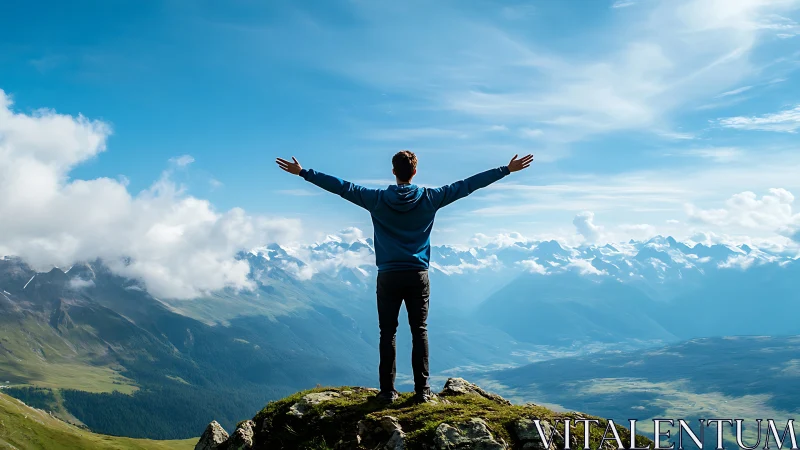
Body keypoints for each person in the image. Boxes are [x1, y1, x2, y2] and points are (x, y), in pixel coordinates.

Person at [276, 151, 533, 403]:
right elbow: (466, 186)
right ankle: (423, 391)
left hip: (388, 275)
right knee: (419, 331)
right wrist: (506, 170)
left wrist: (304, 173)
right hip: (418, 275)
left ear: (393, 172)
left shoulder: (375, 199)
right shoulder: (431, 198)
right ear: (415, 172)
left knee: (387, 333)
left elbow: (343, 187)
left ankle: (387, 391)